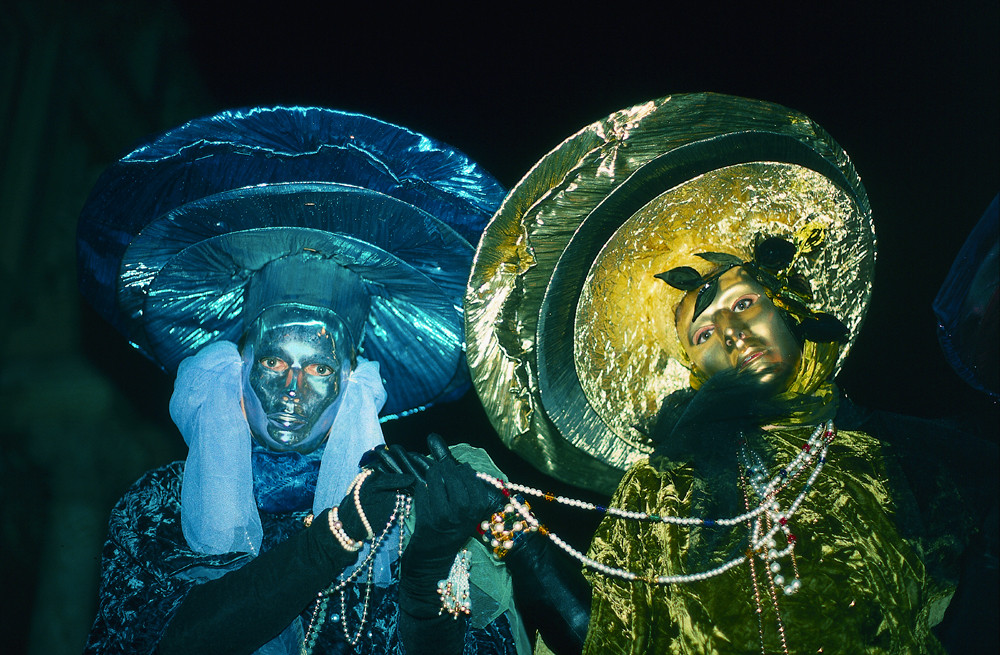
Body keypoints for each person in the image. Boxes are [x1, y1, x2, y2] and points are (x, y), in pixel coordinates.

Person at [463, 93, 990, 653]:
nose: (734, 335)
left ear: (787, 306)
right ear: (691, 364)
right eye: (705, 333)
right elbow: (609, 639)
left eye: (742, 305)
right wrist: (514, 533)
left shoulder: (909, 457)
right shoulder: (661, 496)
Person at [79, 106, 527, 654]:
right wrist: (338, 534)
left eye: (318, 368)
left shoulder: (407, 512)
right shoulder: (157, 507)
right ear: (235, 365)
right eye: (273, 362)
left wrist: (429, 557)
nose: (293, 389)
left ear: (353, 383)